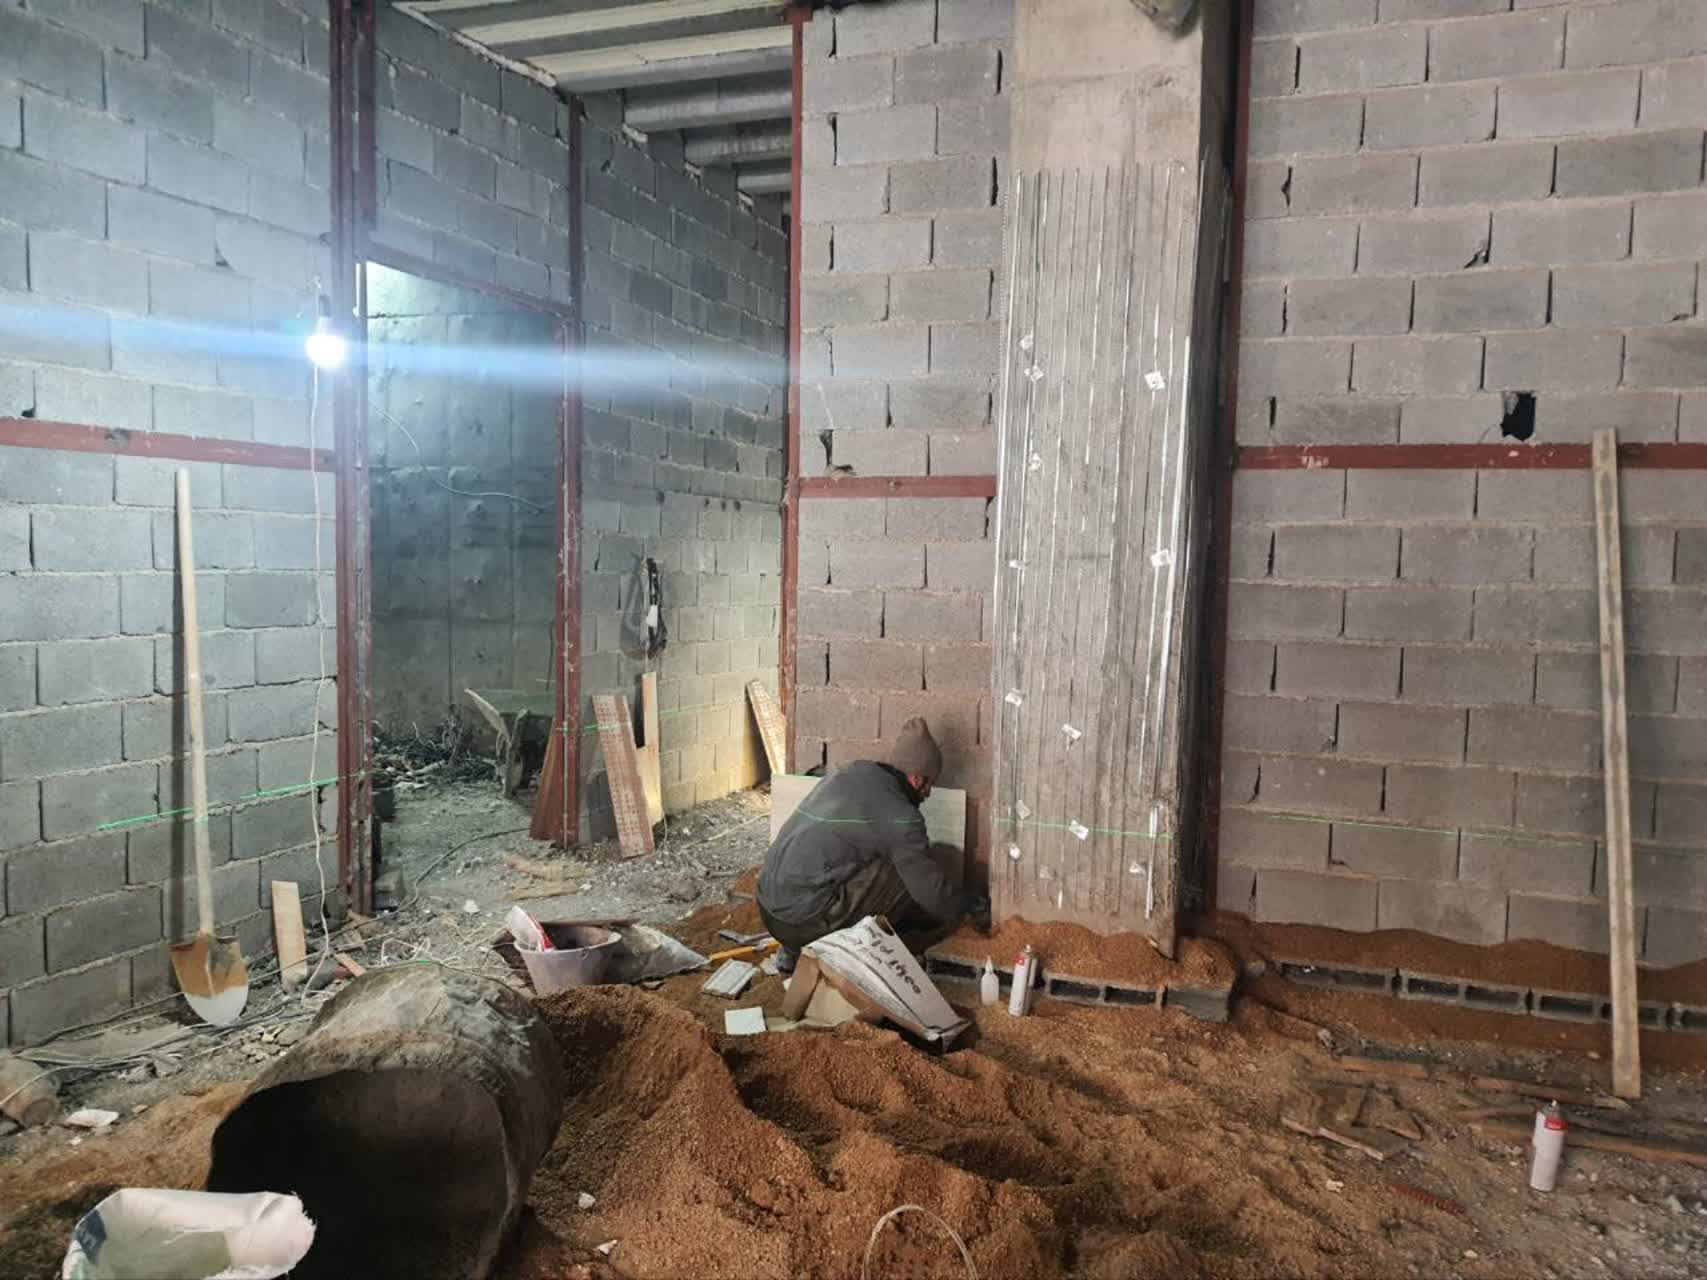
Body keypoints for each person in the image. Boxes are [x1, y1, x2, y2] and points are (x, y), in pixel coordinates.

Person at [757, 716, 987, 972]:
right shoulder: (901, 816)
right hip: (802, 922)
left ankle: (791, 953)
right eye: (929, 783)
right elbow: (930, 894)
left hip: (768, 906)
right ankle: (860, 953)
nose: (928, 793)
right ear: (916, 778)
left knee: (869, 859)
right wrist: (969, 905)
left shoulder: (852, 772)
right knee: (907, 873)